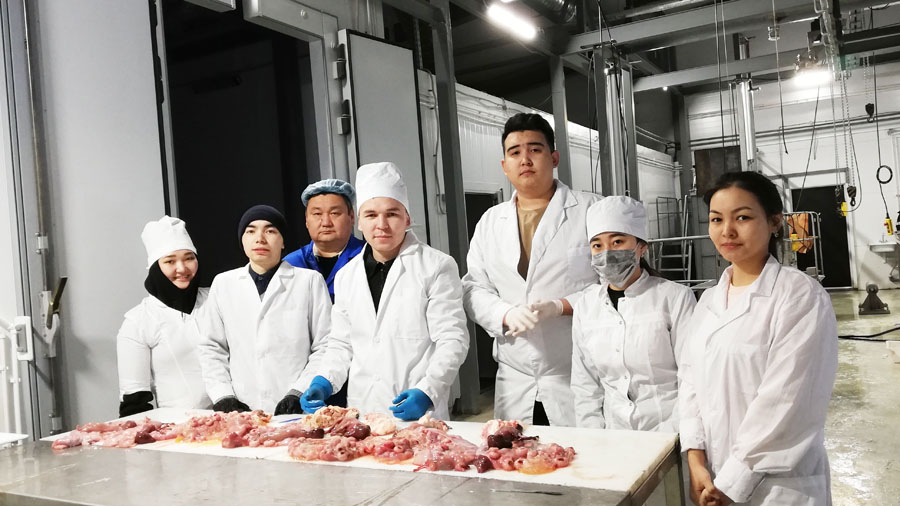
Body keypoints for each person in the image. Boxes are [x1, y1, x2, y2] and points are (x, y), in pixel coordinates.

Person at [679, 172, 838, 505]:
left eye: (742, 217)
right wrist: (695, 460)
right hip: (713, 477)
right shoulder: (708, 302)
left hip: (779, 487)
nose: (727, 230)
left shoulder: (799, 295)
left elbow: (788, 401)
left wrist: (731, 483)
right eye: (716, 219)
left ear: (775, 221)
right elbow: (690, 383)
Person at [298, 162, 469, 421]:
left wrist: (428, 390)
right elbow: (341, 343)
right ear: (359, 222)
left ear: (407, 218)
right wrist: (323, 381)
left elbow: (452, 339)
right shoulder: (347, 275)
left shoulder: (436, 266)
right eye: (370, 215)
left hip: (418, 411)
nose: (381, 225)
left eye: (392, 214)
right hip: (363, 410)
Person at [462, 112, 600, 426]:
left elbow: (614, 285)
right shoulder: (490, 222)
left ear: (554, 158)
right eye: (515, 152)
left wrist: (562, 306)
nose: (525, 159)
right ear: (504, 165)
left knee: (580, 454)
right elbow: (473, 288)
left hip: (576, 375)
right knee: (518, 452)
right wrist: (504, 314)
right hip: (515, 380)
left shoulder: (590, 210)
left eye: (535, 149)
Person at [571, 196, 695, 432]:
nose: (607, 253)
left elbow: (692, 377)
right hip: (614, 436)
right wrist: (593, 436)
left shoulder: (675, 297)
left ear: (641, 246)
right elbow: (585, 385)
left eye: (617, 241)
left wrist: (670, 435)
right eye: (597, 245)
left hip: (670, 429)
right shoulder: (586, 307)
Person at [198, 205, 332, 415]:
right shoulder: (223, 284)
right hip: (242, 409)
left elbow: (325, 345)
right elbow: (212, 347)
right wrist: (223, 396)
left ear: (283, 241)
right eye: (250, 231)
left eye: (270, 231)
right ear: (242, 240)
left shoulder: (309, 281)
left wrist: (299, 391)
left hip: (296, 408)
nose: (259, 238)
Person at [117, 216, 211, 417]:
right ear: (155, 267)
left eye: (189, 258)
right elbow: (135, 401)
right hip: (178, 427)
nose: (182, 268)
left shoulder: (217, 300)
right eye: (170, 261)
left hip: (238, 420)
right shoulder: (138, 321)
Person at [283, 178, 365, 302]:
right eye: (317, 214)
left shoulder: (368, 256)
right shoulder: (290, 264)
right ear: (306, 220)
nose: (326, 223)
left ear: (352, 217)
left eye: (334, 213)